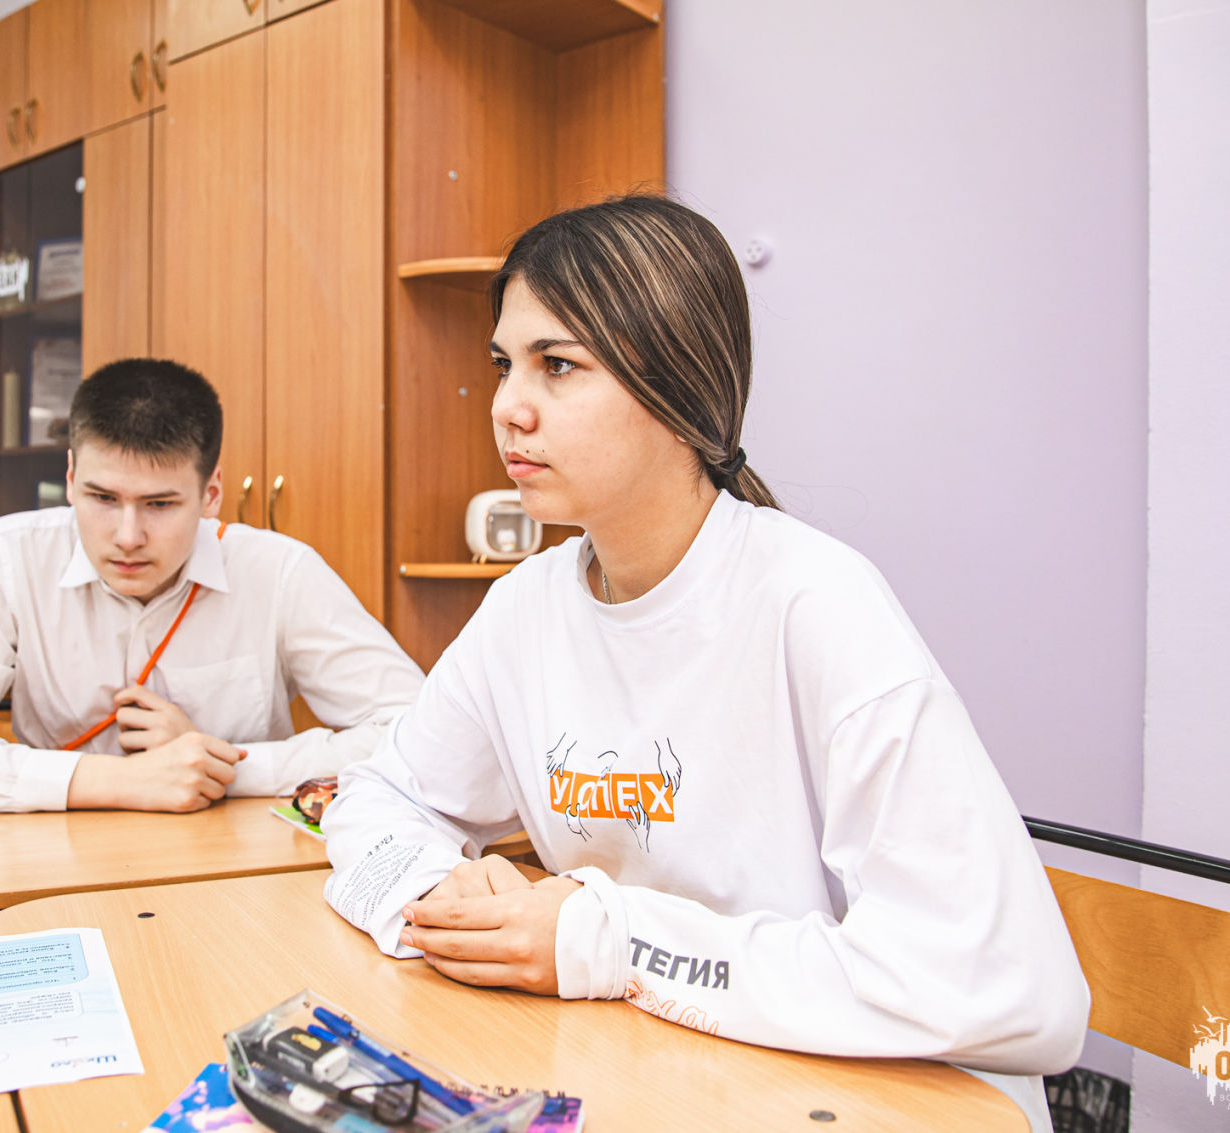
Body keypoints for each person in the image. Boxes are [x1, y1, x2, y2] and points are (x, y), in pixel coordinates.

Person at [321, 196, 1089, 1130]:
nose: (506, 407)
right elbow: (379, 795)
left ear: (677, 387)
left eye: (557, 365)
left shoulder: (814, 600)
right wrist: (438, 891)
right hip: (660, 1072)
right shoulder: (527, 605)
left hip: (871, 1102)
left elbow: (1015, 992)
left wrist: (609, 942)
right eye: (503, 364)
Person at [0, 358, 424, 813]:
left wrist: (226, 766)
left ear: (211, 494)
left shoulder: (278, 571)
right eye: (102, 498)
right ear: (70, 479)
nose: (127, 537)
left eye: (159, 505)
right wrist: (123, 781)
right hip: (51, 866)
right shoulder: (4, 558)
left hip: (231, 872)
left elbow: (419, 734)